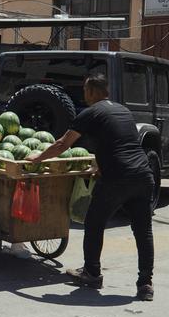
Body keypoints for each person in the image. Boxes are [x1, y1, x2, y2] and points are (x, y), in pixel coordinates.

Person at [30, 73, 155, 301]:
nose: (84, 95)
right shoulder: (123, 111)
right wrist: (99, 165)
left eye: (85, 91)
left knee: (94, 222)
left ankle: (92, 273)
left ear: (91, 92)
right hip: (143, 175)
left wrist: (38, 158)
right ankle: (145, 284)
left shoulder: (90, 113)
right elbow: (119, 144)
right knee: (143, 231)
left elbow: (62, 144)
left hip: (117, 178)